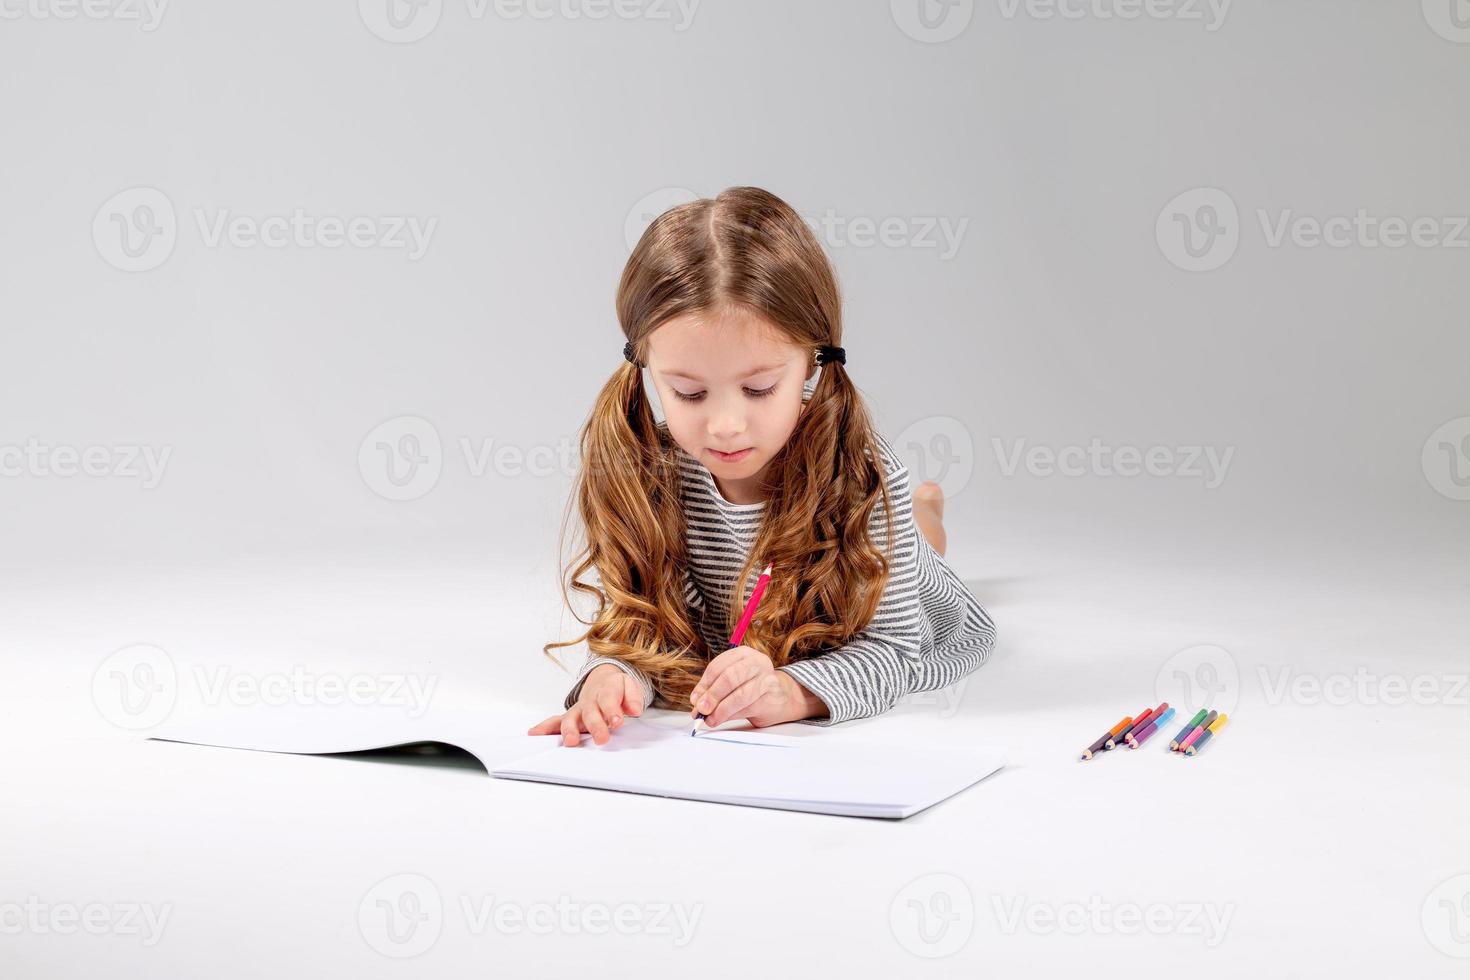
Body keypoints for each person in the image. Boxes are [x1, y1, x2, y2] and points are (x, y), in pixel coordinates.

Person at [531, 186, 995, 747]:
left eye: (758, 388)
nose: (726, 425)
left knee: (919, 555)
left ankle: (923, 518)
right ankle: (920, 519)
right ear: (648, 369)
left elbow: (896, 647)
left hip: (868, 569)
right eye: (689, 393)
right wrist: (611, 674)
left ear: (813, 364)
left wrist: (792, 691)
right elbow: (640, 622)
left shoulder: (864, 480)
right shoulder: (644, 470)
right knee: (909, 538)